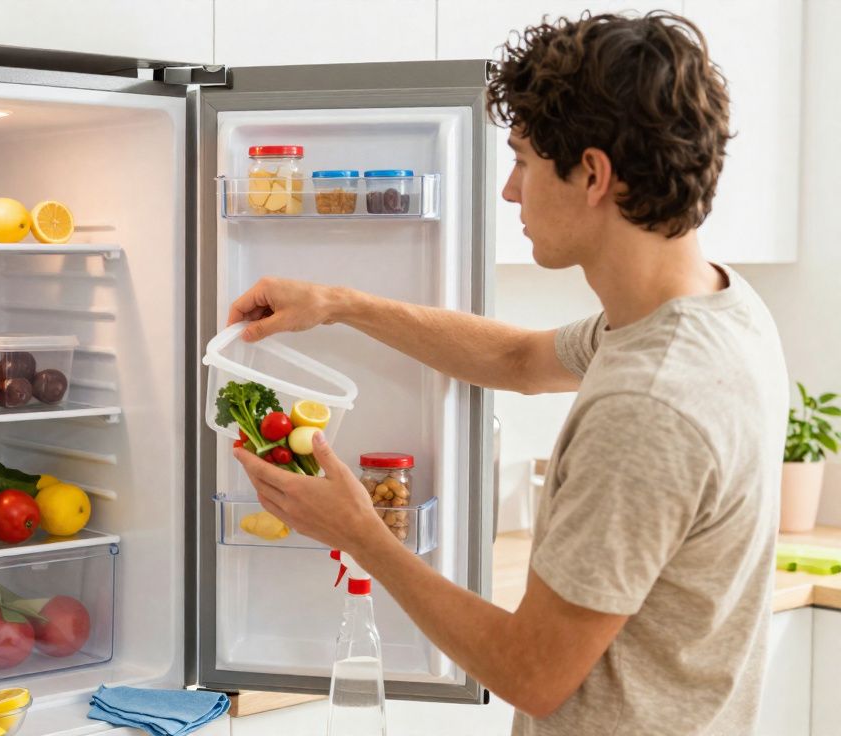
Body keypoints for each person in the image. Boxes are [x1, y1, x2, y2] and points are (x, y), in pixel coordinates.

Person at [229, 12, 787, 735]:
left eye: (523, 160)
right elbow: (518, 360)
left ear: (592, 174)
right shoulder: (717, 309)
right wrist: (339, 304)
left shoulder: (650, 406)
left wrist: (363, 534)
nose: (509, 190)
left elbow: (533, 673)